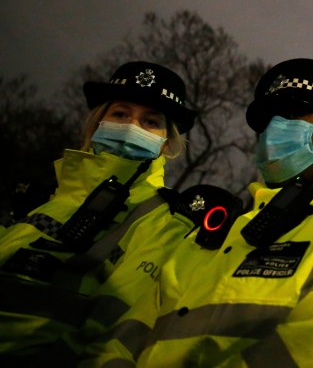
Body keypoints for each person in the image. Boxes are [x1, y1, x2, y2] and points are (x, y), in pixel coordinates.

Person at [116, 58, 313, 365]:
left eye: (293, 114)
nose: (274, 129)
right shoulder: (207, 236)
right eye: (269, 120)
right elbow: (124, 338)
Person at [0, 61, 197, 361]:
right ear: (97, 121)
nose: (132, 126)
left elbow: (114, 337)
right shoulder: (41, 197)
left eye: (150, 121)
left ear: (165, 142)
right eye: (120, 113)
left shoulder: (163, 221)